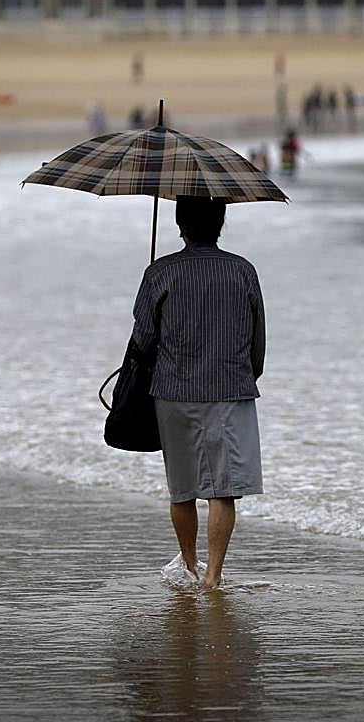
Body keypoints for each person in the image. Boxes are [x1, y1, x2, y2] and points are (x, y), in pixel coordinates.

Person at [129, 195, 265, 590]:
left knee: (183, 488)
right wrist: (248, 375)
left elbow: (143, 339)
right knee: (223, 491)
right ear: (220, 224)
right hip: (230, 388)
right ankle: (213, 575)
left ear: (180, 225)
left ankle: (189, 565)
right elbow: (257, 339)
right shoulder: (243, 270)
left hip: (174, 390)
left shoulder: (160, 272)